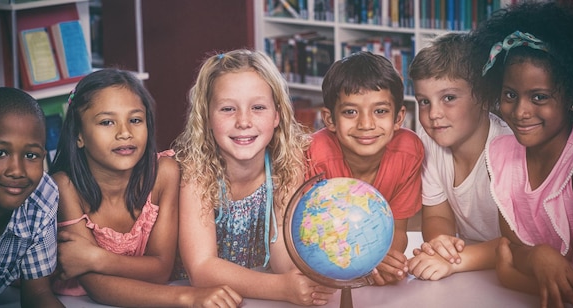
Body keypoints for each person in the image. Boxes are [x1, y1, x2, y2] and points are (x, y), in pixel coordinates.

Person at [49, 68, 242, 307]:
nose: (125, 133)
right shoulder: (65, 186)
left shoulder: (163, 173)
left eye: (135, 120)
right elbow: (96, 285)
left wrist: (96, 257)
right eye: (107, 122)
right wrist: (188, 297)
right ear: (79, 135)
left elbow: (161, 269)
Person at [173, 49, 336, 305]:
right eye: (228, 109)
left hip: (256, 297)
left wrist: (301, 280)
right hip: (201, 299)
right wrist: (282, 288)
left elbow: (282, 250)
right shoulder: (196, 171)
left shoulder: (286, 163)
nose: (243, 121)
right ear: (206, 118)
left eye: (258, 107)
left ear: (277, 115)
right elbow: (201, 268)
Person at [472, 2, 573, 307]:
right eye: (510, 94)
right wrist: (538, 256)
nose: (521, 111)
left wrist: (513, 276)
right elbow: (510, 247)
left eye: (539, 97)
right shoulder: (500, 154)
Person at [305, 51, 424, 285]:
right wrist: (363, 263)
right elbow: (306, 235)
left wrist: (384, 261)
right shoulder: (314, 155)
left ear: (399, 118)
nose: (366, 124)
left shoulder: (408, 153)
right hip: (321, 269)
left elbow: (397, 230)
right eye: (350, 112)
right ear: (329, 119)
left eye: (380, 111)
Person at [405, 33, 512, 280]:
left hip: (508, 264)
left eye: (449, 98)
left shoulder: (508, 149)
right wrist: (442, 245)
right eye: (424, 101)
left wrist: (455, 261)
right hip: (470, 266)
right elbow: (437, 215)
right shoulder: (428, 141)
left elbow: (520, 243)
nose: (434, 114)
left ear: (483, 97)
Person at [0, 87, 63, 307]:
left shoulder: (43, 197)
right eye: (0, 153)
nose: (17, 170)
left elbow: (37, 294)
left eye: (31, 155)